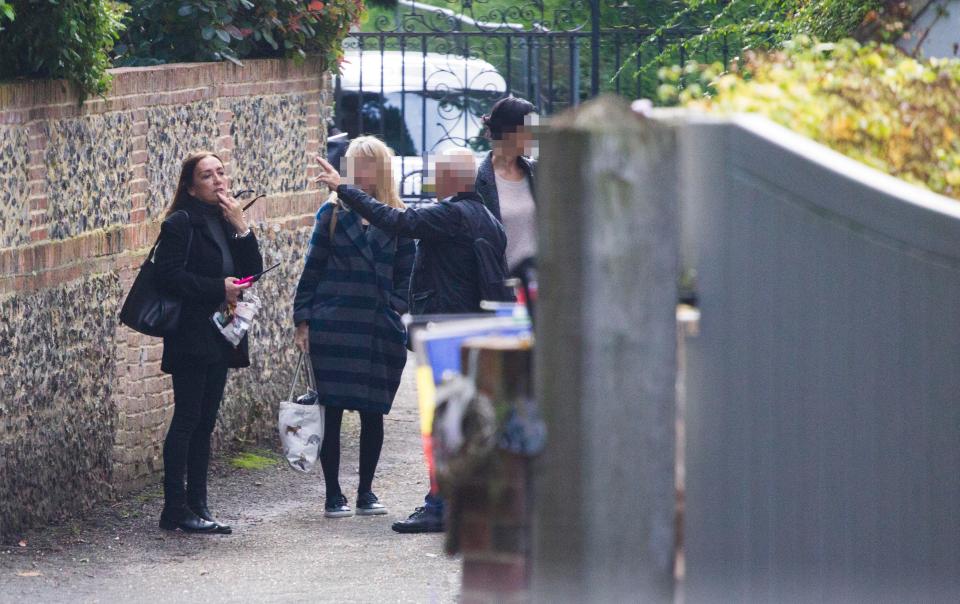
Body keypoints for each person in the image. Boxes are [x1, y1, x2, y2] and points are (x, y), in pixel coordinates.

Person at [313, 147, 510, 533]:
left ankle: (439, 506)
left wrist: (345, 188)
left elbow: (396, 220)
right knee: (464, 420)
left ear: (453, 178)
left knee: (445, 421)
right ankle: (466, 503)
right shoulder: (487, 217)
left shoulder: (452, 214)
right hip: (474, 329)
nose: (431, 182)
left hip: (449, 331)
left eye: (436, 174)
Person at [294, 136, 415, 518]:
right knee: (331, 410)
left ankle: (366, 491)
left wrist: (395, 310)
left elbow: (407, 276)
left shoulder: (398, 218)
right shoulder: (330, 216)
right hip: (335, 326)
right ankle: (333, 494)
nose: (359, 171)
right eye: (352, 163)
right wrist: (304, 319)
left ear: (380, 169)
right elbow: (310, 270)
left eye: (366, 164)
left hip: (378, 330)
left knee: (373, 412)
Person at [155, 151, 264, 534]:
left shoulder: (224, 220)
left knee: (206, 421)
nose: (218, 180)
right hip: (189, 334)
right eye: (207, 176)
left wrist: (242, 226)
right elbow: (167, 277)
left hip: (221, 334)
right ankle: (174, 508)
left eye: (221, 172)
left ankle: (198, 505)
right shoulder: (180, 223)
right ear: (190, 186)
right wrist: (216, 287)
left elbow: (252, 272)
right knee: (187, 418)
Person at [475, 95, 538, 275]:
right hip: (498, 286)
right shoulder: (477, 181)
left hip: (536, 287)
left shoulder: (537, 173)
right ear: (510, 131)